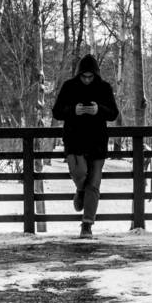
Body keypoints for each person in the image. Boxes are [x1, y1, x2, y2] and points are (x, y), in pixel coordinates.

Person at [50, 54, 119, 239]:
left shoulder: (104, 88)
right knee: (79, 174)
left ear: (95, 74)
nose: (87, 80)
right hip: (75, 141)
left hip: (97, 142)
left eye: (90, 76)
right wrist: (73, 110)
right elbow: (56, 112)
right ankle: (80, 190)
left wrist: (99, 110)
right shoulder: (69, 86)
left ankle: (87, 224)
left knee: (94, 184)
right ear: (79, 74)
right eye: (84, 76)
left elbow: (113, 113)